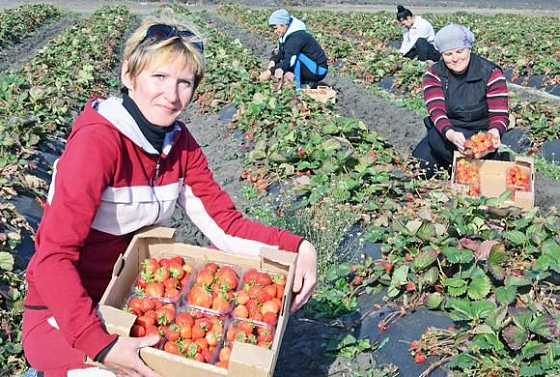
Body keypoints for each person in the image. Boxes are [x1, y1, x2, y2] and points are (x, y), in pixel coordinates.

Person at [22, 10, 317, 377]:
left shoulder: (179, 145)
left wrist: (298, 246)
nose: (171, 94)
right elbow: (53, 257)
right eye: (159, 76)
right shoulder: (97, 145)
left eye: (185, 82)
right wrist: (100, 344)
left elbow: (224, 224)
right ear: (129, 74)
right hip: (60, 315)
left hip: (131, 299)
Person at [412, 23, 509, 178]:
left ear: (469, 48)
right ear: (441, 55)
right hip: (447, 132)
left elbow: (500, 114)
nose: (455, 58)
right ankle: (458, 167)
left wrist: (494, 132)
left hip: (478, 135)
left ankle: (475, 168)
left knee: (469, 154)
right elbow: (437, 111)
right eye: (448, 54)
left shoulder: (490, 73)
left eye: (459, 51)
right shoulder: (434, 75)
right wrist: (450, 133)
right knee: (417, 167)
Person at [258, 9, 328, 89]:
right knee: (285, 70)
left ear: (283, 24)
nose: (275, 31)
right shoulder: (285, 35)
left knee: (295, 58)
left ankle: (299, 87)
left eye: (276, 28)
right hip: (308, 66)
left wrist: (270, 72)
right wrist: (273, 61)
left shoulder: (297, 37)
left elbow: (289, 61)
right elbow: (280, 52)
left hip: (318, 70)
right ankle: (307, 82)